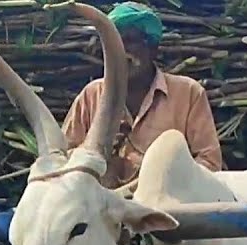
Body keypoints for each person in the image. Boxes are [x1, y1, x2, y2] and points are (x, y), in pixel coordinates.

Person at [61, 1, 223, 187]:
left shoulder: (188, 93)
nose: (121, 51)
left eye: (129, 41)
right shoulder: (91, 95)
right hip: (102, 208)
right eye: (114, 44)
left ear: (152, 48)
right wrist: (96, 153)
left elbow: (209, 163)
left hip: (166, 209)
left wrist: (162, 180)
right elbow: (65, 159)